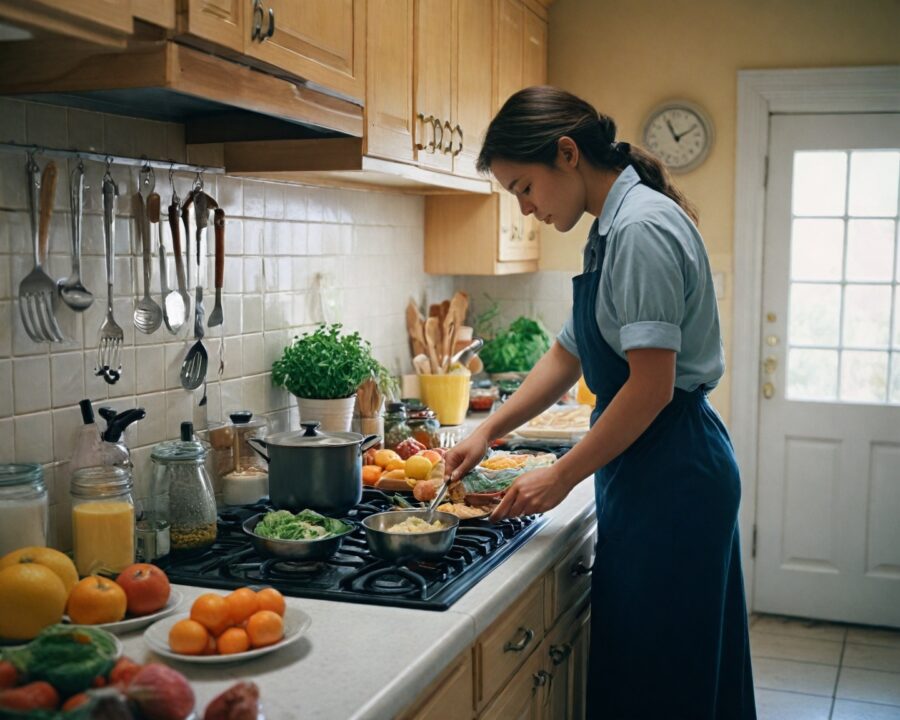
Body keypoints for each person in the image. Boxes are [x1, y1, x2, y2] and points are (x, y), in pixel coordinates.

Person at [443, 86, 756, 719]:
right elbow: (568, 353)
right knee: (652, 670)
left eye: (524, 187)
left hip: (674, 469)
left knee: (662, 684)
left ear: (567, 154)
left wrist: (560, 475)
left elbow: (651, 387)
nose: (525, 208)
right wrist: (486, 431)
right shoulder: (609, 228)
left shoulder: (640, 229)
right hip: (649, 465)